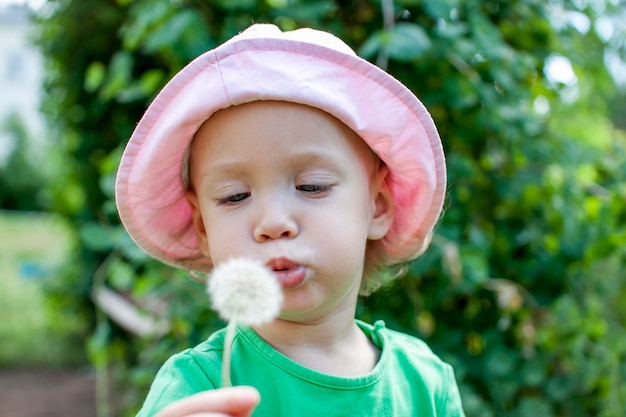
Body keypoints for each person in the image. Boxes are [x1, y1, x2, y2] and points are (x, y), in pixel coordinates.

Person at [115, 23, 465, 417]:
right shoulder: (200, 387)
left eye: (312, 186)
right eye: (235, 196)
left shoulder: (426, 385)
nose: (273, 222)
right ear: (202, 229)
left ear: (379, 206)